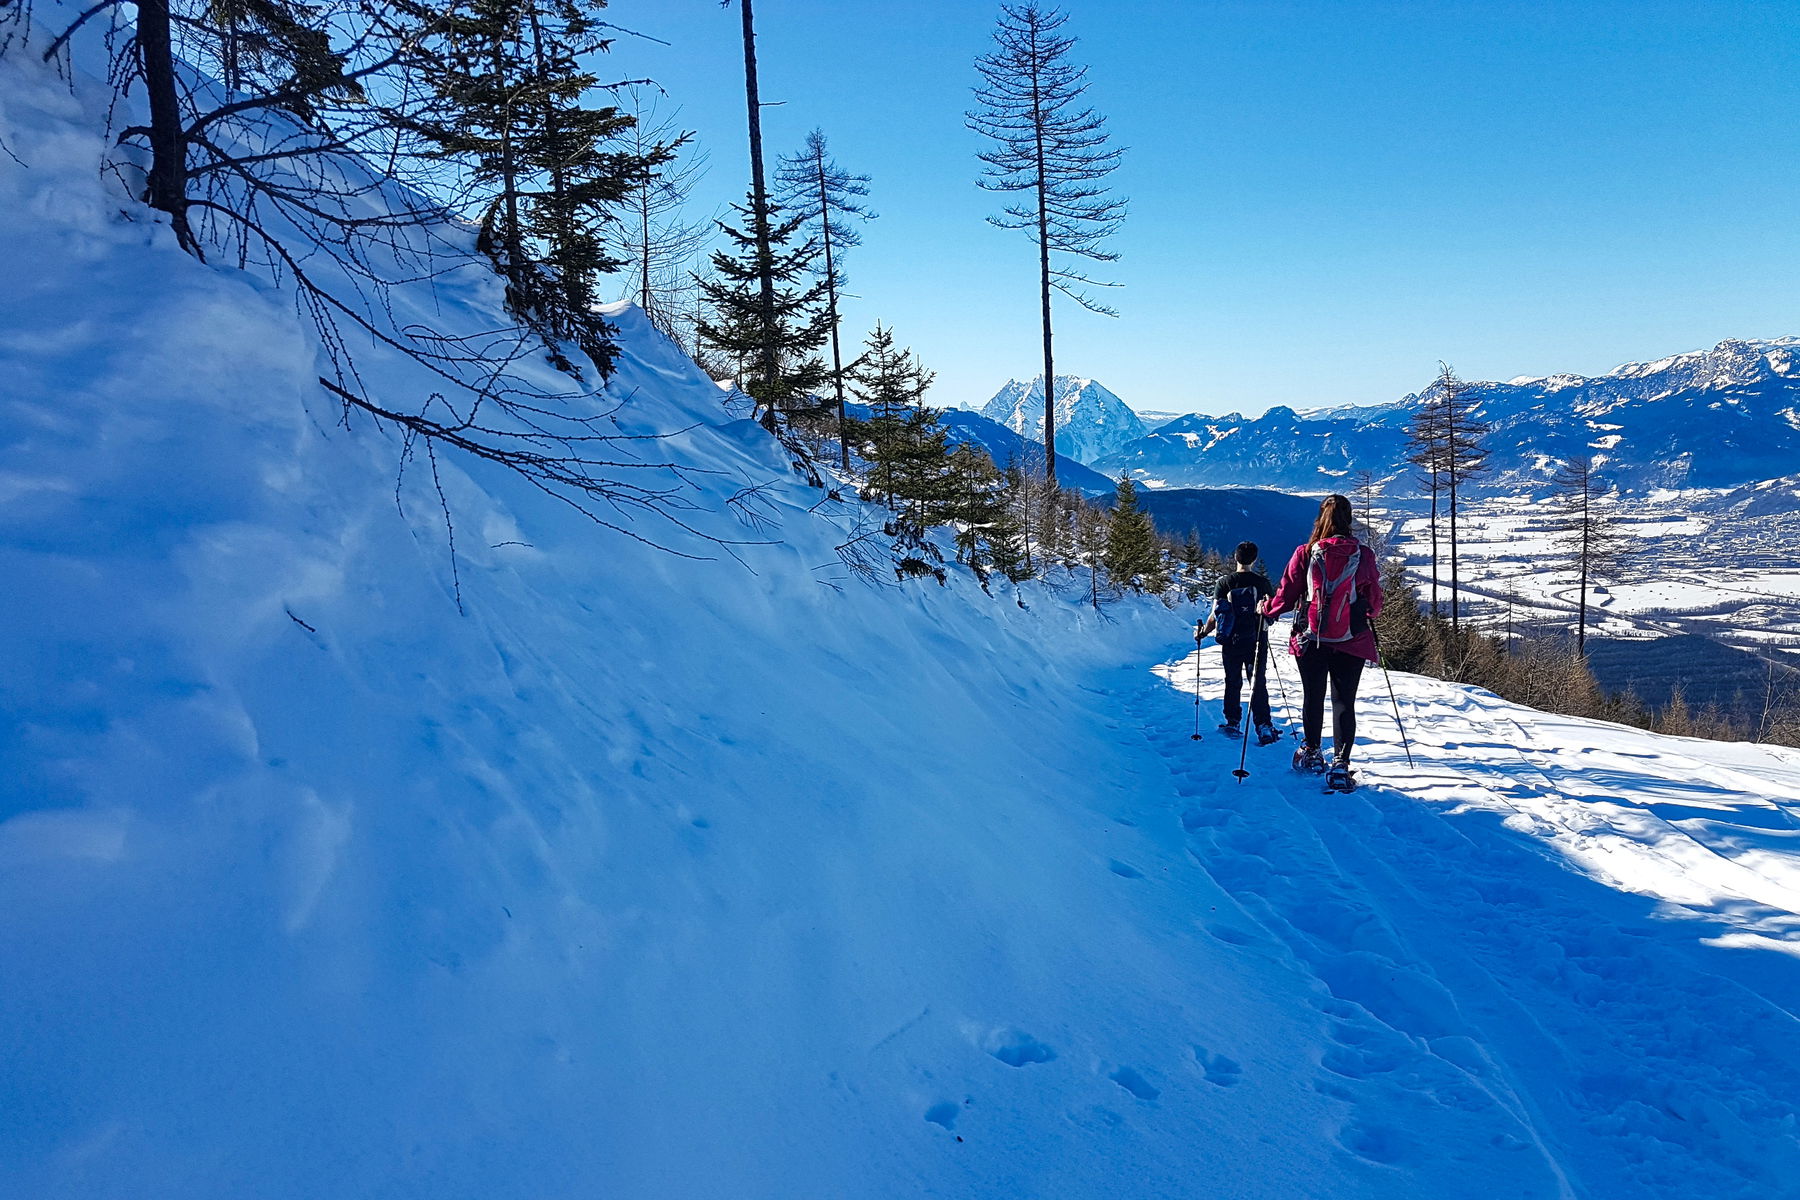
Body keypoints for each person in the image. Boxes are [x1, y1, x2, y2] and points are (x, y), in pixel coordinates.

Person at [1261, 494, 1384, 789]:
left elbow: (1287, 593)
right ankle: (1341, 765)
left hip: (1310, 637)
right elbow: (1375, 600)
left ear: (1320, 518)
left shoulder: (1305, 553)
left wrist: (1267, 611)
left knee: (1312, 696)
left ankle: (1313, 753)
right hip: (1351, 639)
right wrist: (1366, 613)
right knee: (1344, 702)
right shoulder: (1363, 555)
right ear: (1349, 519)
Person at [1195, 541, 1278, 745]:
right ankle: (1264, 725)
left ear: (1235, 557)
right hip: (1257, 640)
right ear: (1255, 559)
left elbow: (1216, 614)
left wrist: (1203, 632)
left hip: (1231, 640)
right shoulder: (1262, 583)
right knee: (1257, 682)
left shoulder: (1224, 583)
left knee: (1232, 681)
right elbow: (1273, 612)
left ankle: (1233, 721)